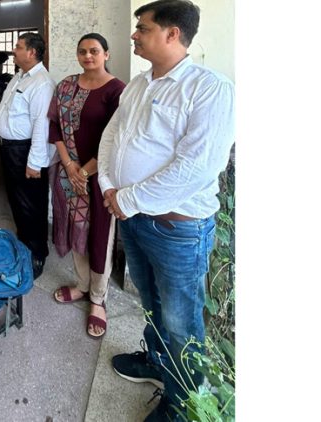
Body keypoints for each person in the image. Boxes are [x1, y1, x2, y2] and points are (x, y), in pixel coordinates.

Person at [97, 1, 235, 420]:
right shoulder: (139, 85)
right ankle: (157, 362)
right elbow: (111, 136)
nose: (135, 34)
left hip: (178, 229)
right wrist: (108, 185)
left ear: (173, 34)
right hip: (133, 219)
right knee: (152, 304)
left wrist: (127, 198)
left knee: (181, 321)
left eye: (143, 27)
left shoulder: (209, 88)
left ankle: (183, 405)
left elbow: (197, 167)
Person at [48, 33, 125, 339]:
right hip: (70, 174)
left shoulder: (118, 91)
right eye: (82, 51)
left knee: (99, 235)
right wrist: (69, 166)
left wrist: (86, 171)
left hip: (100, 178)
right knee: (75, 227)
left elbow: (117, 138)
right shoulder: (66, 85)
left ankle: (98, 297)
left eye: (94, 51)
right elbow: (54, 125)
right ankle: (81, 285)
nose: (88, 56)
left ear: (106, 54)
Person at [0, 33, 55, 279]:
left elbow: (42, 125)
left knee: (32, 205)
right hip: (9, 149)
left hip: (25, 151)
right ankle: (23, 245)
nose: (14, 51)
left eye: (18, 47)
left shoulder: (41, 82)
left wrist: (34, 163)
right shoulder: (20, 76)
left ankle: (37, 254)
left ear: (32, 52)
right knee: (18, 201)